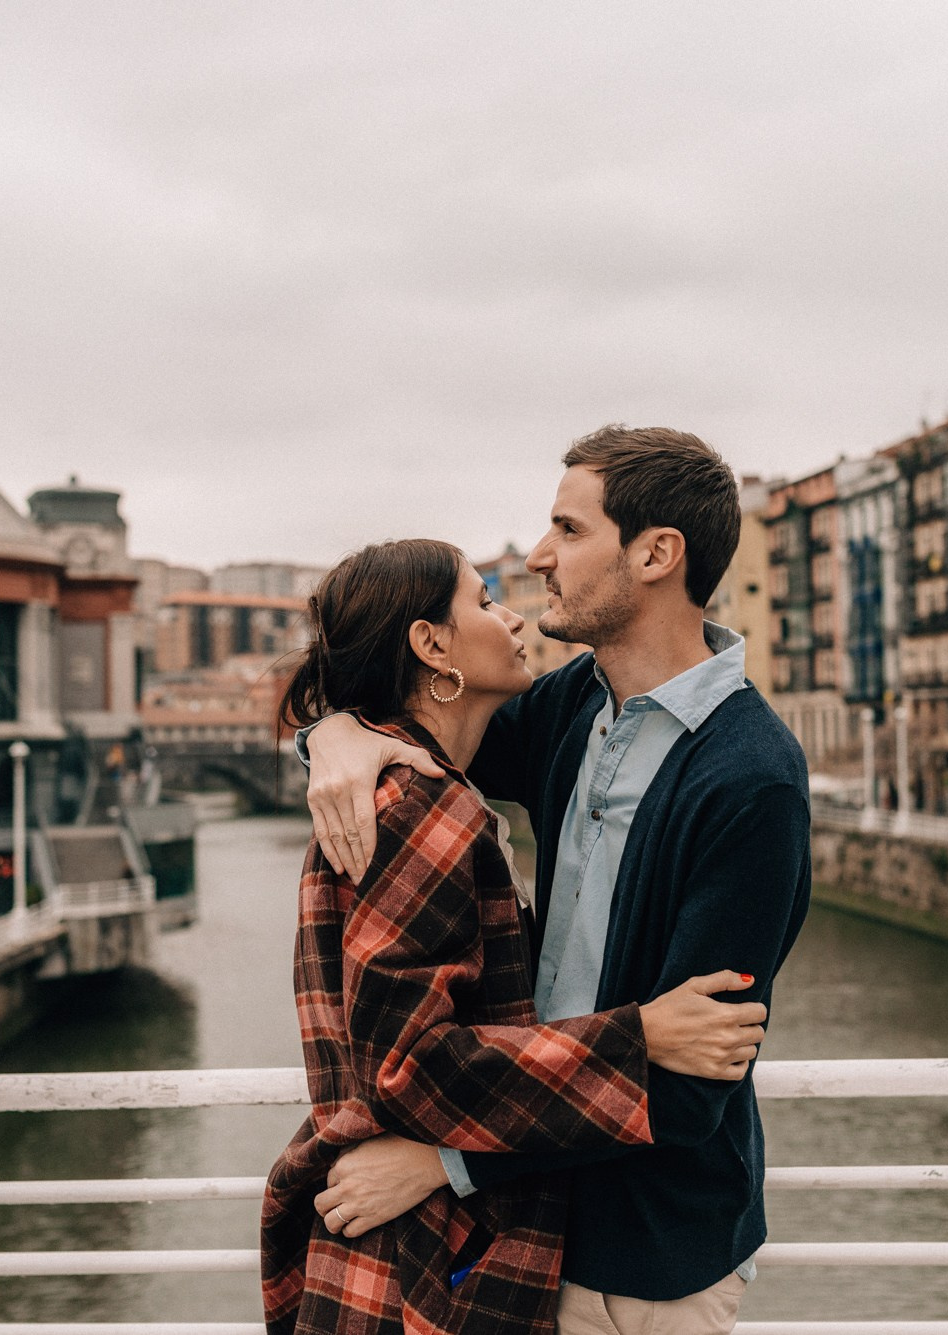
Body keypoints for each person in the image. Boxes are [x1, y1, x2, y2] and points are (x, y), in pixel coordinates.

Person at [303, 426, 813, 1335]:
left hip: (644, 1259)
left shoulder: (751, 778)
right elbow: (417, 719)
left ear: (656, 554)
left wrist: (446, 1163)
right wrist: (332, 735)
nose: (539, 556)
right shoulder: (574, 705)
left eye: (569, 530)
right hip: (518, 1234)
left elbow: (693, 1084)